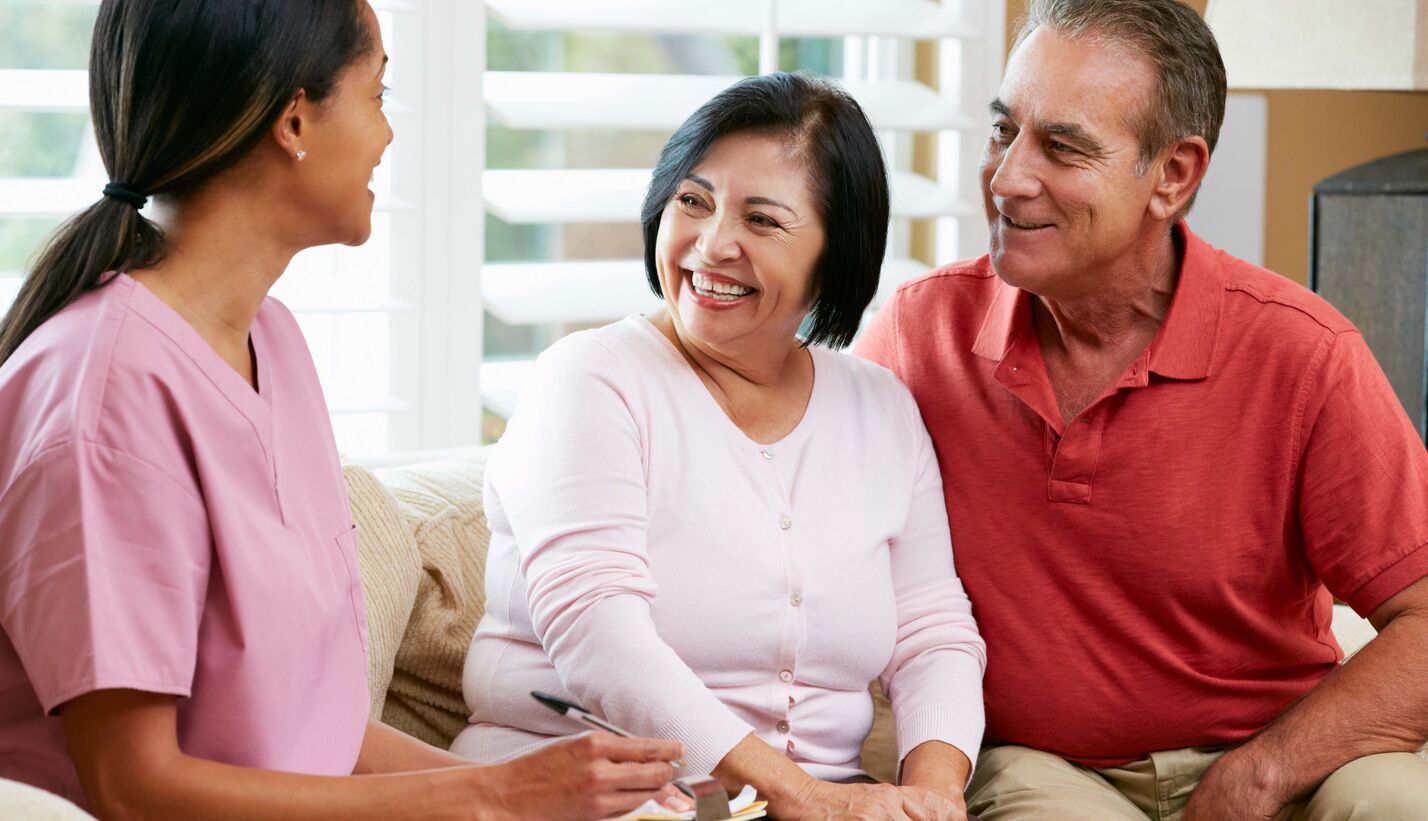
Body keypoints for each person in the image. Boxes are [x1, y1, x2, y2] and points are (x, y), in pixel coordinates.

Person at [0, 1, 684, 818]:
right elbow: (136, 790)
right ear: (296, 120)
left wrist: (551, 794)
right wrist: (494, 795)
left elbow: (319, 737)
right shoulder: (105, 398)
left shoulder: (270, 342)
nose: (388, 135)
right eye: (379, 94)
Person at [854, 1, 1428, 819]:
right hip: (1042, 767)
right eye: (1002, 130)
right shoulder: (920, 333)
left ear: (1173, 176)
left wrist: (1258, 776)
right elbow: (786, 506)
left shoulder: (1304, 354)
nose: (1007, 176)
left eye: (1062, 146)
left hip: (1278, 753)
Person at [454, 72, 987, 821]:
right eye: (693, 201)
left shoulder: (883, 411)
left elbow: (934, 632)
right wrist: (799, 792)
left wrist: (931, 796)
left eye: (762, 221)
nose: (711, 245)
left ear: (836, 255)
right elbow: (597, 627)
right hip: (592, 795)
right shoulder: (591, 378)